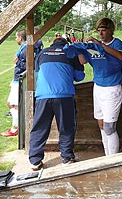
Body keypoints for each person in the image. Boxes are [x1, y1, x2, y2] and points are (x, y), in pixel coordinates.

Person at [29, 37, 85, 170]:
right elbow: (80, 76)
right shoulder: (71, 52)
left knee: (39, 128)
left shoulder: (42, 53)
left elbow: (38, 73)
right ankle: (66, 157)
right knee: (66, 127)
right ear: (66, 44)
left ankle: (35, 161)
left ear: (52, 44)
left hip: (43, 95)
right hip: (64, 95)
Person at [81, 18, 122, 156]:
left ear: (111, 30)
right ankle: (107, 155)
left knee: (110, 127)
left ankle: (112, 159)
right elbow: (82, 61)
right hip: (98, 87)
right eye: (99, 31)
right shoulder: (94, 46)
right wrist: (81, 48)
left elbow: (120, 56)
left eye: (104, 30)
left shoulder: (117, 43)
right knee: (101, 124)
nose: (101, 34)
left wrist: (99, 44)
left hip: (112, 88)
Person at [1, 30, 27, 137]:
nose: (15, 39)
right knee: (11, 103)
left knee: (14, 105)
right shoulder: (23, 48)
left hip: (20, 80)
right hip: (17, 80)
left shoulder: (25, 49)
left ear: (21, 38)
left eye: (16, 37)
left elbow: (28, 66)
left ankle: (15, 128)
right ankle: (17, 125)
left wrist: (18, 62)